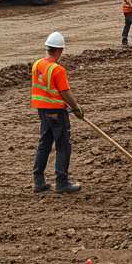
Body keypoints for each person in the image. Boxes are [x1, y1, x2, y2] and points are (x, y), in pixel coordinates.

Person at [31, 31, 82, 193]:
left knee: (44, 144)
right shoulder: (57, 69)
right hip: (56, 113)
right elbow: (65, 92)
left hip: (42, 111)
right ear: (59, 50)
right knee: (63, 146)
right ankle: (62, 182)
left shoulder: (37, 64)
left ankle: (38, 181)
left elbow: (45, 89)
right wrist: (76, 107)